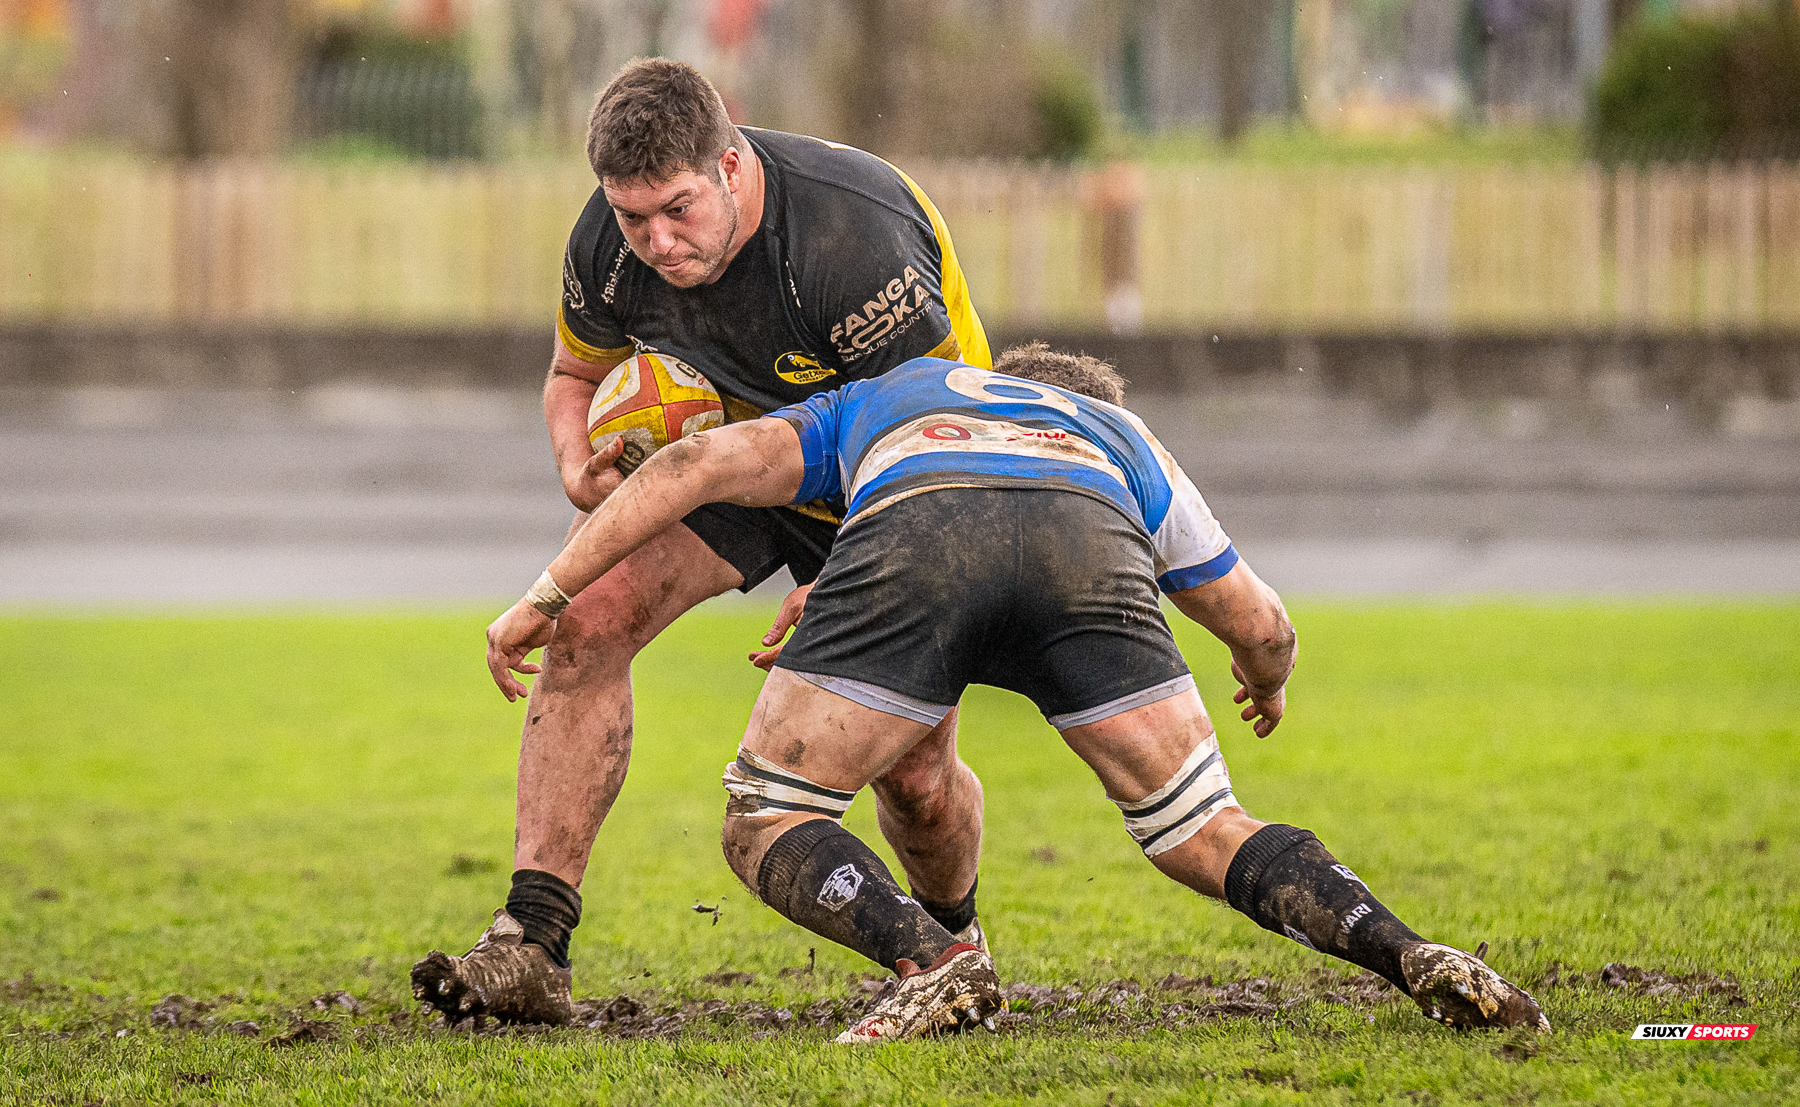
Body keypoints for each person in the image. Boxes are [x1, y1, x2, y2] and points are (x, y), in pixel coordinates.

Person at [482, 346, 1552, 1042]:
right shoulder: (1122, 436)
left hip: (925, 528)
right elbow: (1264, 626)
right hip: (1090, 543)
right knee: (1203, 829)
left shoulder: (899, 392)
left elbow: (695, 466)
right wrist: (1264, 684)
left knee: (770, 816)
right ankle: (1406, 950)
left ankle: (933, 958)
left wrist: (548, 594)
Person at [411, 58, 994, 1025]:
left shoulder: (853, 236)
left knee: (915, 775)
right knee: (588, 617)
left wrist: (855, 573)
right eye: (633, 218)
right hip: (729, 463)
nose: (656, 242)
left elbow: (939, 441)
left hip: (908, 480)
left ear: (730, 166)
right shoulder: (606, 241)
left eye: (676, 211)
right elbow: (573, 374)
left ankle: (954, 944)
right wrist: (575, 464)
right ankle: (532, 943)